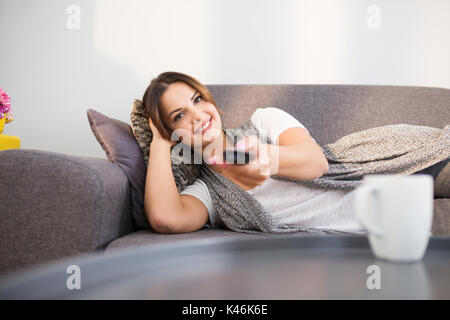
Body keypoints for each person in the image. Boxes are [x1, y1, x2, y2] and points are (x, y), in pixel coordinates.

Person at [142, 71, 447, 234]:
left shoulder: (263, 120)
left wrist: (250, 157)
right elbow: (165, 218)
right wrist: (158, 142)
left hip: (392, 163)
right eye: (178, 116)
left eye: (198, 99)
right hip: (391, 219)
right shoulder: (208, 193)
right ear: (173, 135)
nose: (197, 115)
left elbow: (314, 163)